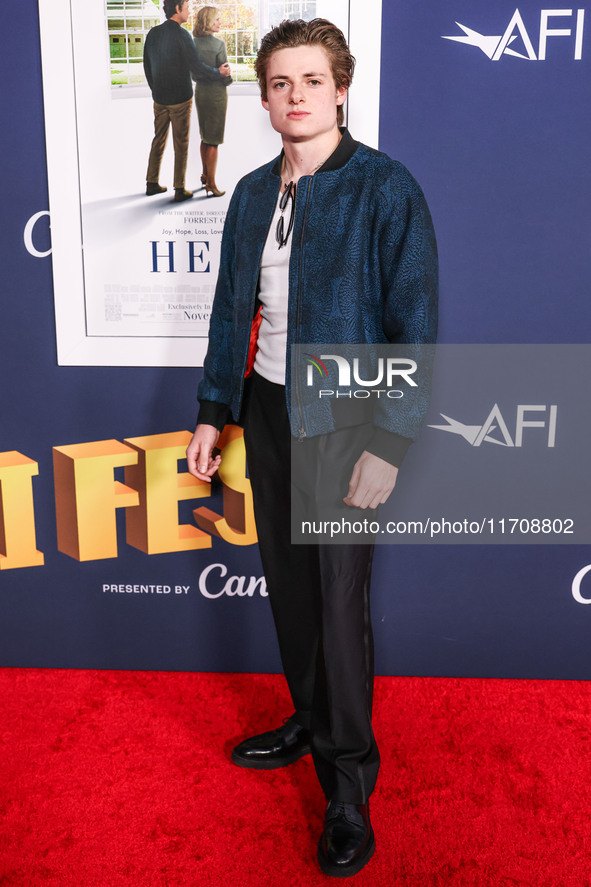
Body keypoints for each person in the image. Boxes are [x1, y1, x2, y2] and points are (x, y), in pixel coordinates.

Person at [186, 18, 438, 878]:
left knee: (337, 601)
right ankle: (307, 719)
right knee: (291, 586)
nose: (294, 96)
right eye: (279, 83)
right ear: (262, 96)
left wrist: (390, 442)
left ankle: (348, 788)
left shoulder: (384, 188)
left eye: (310, 80)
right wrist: (212, 412)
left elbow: (414, 330)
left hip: (345, 417)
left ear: (340, 87)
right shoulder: (253, 192)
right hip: (263, 406)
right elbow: (229, 313)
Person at [143, 0, 231, 202]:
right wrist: (218, 72)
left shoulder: (153, 33)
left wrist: (155, 90)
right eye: (187, 7)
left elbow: (147, 66)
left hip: (160, 99)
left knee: (158, 139)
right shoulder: (183, 35)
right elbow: (197, 67)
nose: (189, 11)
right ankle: (180, 188)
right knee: (180, 144)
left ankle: (152, 183)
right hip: (180, 99)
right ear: (177, 9)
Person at [193, 6, 232, 197]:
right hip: (216, 95)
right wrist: (228, 78)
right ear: (208, 21)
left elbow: (193, 73)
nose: (219, 23)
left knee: (205, 137)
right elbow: (224, 71)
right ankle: (212, 184)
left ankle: (204, 175)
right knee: (214, 141)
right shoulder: (219, 45)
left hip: (200, 93)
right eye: (216, 19)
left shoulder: (192, 44)